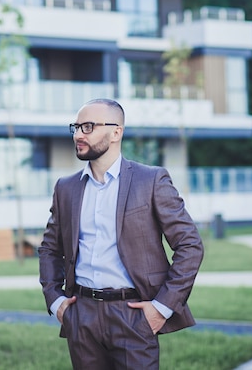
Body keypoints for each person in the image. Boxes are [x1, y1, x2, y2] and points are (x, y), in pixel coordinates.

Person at [38, 98, 204, 369]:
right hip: (82, 314)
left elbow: (190, 245)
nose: (78, 135)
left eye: (88, 127)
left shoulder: (151, 180)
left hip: (133, 315)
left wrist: (162, 307)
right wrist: (55, 301)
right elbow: (49, 249)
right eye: (76, 127)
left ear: (116, 132)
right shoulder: (66, 188)